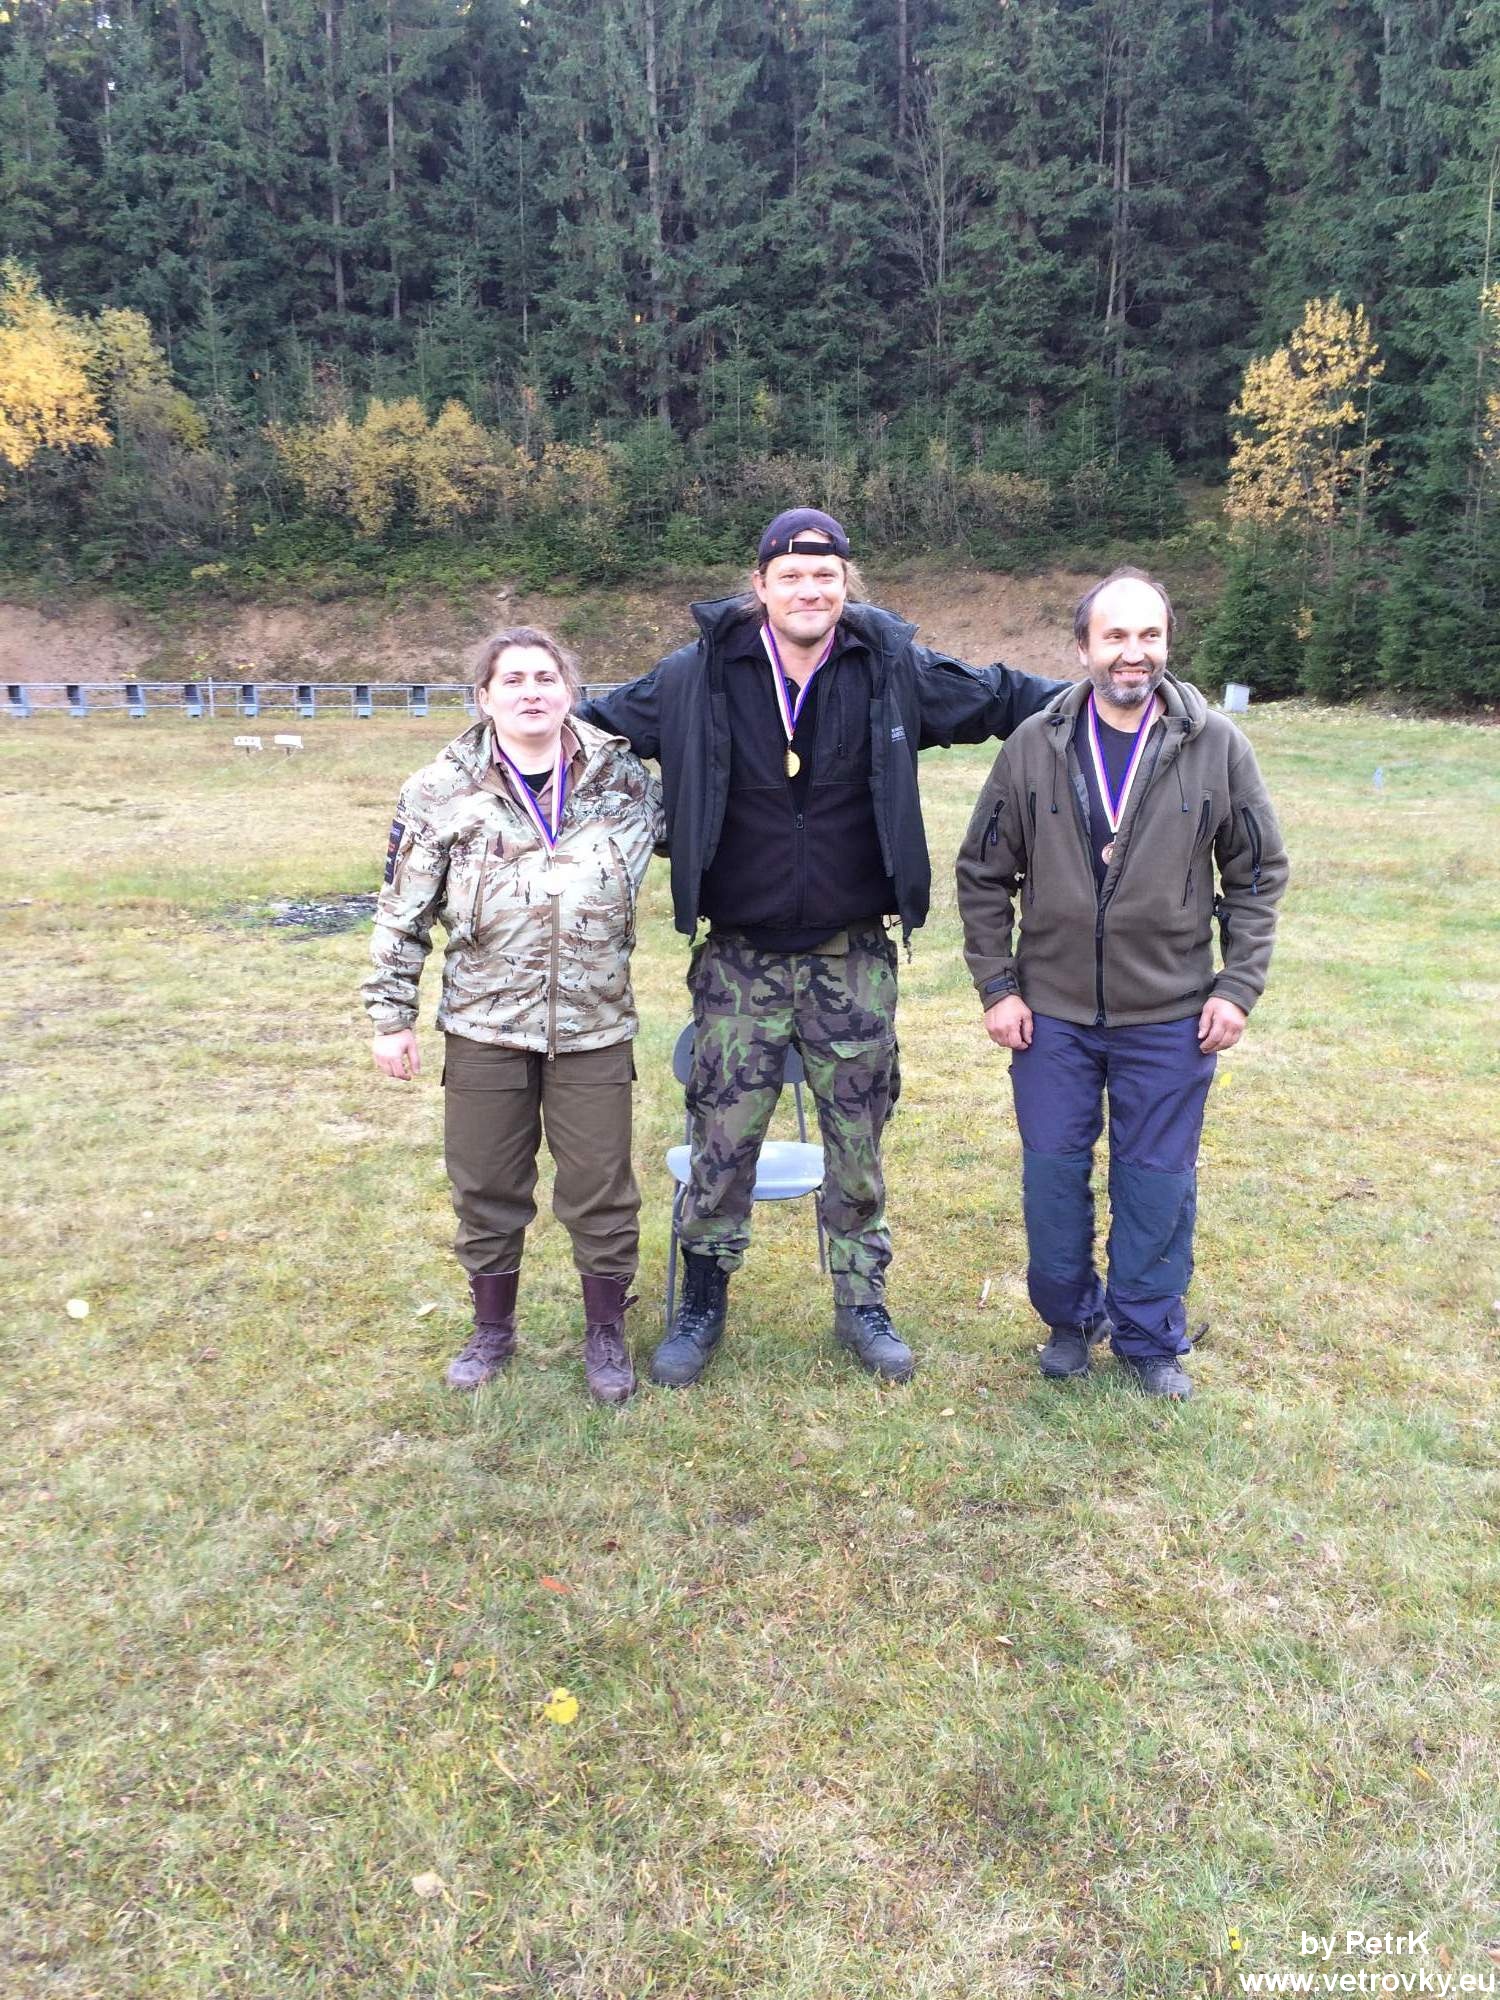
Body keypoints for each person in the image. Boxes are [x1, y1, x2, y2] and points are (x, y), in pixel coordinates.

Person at [578, 507, 1059, 1388]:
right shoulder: (693, 676)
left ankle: (862, 1302)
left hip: (853, 960)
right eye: (792, 576)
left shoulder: (892, 670)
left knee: (857, 1141)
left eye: (826, 576)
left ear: (846, 584)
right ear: (760, 585)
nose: (810, 590)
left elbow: (1001, 698)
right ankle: (703, 1301)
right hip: (739, 960)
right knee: (722, 1140)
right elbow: (591, 725)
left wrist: (1107, 694)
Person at [954, 567, 1289, 1399]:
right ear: (1083, 648)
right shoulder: (1032, 745)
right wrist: (998, 986)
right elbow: (983, 872)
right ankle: (1069, 1323)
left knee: (1156, 1182)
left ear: (1167, 643)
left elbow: (1256, 874)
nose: (1132, 653)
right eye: (1115, 636)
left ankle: (1148, 1336)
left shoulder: (1216, 746)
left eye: (1148, 635)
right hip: (1052, 1016)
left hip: (1172, 1014)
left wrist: (1236, 987)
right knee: (1053, 1177)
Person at [363, 626, 663, 1404]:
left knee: (601, 1188)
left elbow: (706, 837)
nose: (532, 692)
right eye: (514, 680)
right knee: (486, 1184)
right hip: (484, 1027)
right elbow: (402, 911)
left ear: (570, 691)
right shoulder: (439, 789)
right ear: (484, 697)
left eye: (546, 677)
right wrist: (391, 1016)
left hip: (595, 1026)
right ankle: (492, 1330)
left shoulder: (624, 779)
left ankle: (606, 1333)